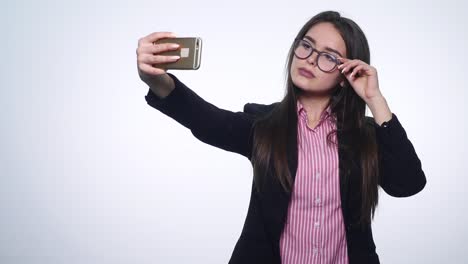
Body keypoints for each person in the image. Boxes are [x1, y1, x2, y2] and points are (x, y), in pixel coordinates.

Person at [136, 10, 426, 264]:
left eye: (328, 57)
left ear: (345, 73)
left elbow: (408, 183)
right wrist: (155, 78)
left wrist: (375, 100)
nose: (311, 59)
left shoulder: (364, 135)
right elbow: (205, 119)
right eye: (306, 46)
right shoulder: (263, 125)